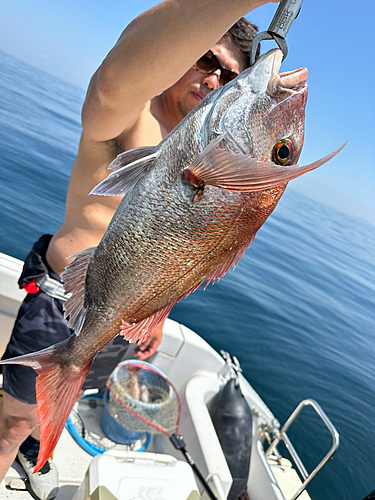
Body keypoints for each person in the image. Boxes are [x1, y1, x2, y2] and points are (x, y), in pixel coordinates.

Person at [0, 0, 278, 498]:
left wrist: (157, 314)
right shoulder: (130, 116)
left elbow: (177, 250)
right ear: (179, 55)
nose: (213, 79)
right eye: (205, 59)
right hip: (60, 304)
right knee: (9, 424)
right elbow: (111, 84)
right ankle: (16, 443)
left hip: (125, 321)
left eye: (229, 77)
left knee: (66, 398)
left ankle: (35, 443)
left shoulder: (204, 155)